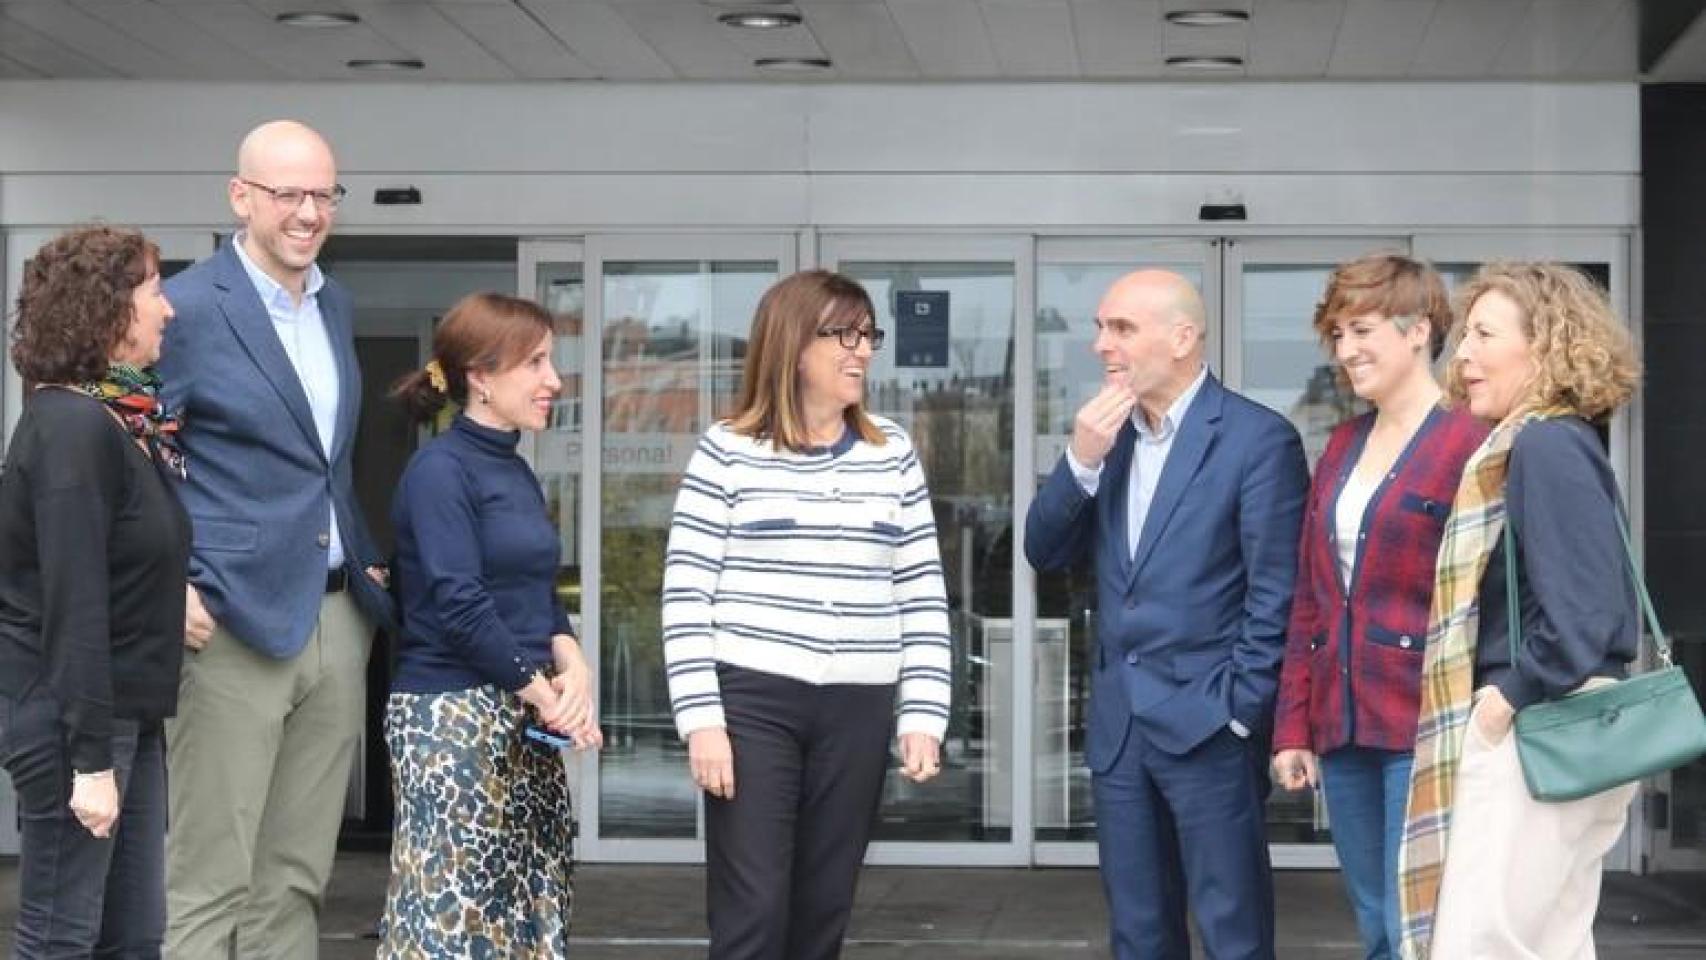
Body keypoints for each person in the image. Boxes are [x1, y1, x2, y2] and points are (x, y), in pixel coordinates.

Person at [661, 269, 951, 960]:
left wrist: (923, 714)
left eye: (869, 335)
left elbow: (921, 591)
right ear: (793, 345)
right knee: (755, 912)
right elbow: (686, 594)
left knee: (824, 910)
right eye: (844, 335)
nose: (863, 350)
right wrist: (702, 722)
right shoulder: (727, 449)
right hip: (754, 703)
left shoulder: (891, 453)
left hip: (859, 704)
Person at [155, 120, 392, 959]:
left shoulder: (335, 303)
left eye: (324, 194)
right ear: (241, 197)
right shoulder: (184, 307)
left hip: (336, 619)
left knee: (293, 879)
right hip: (227, 623)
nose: (309, 213)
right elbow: (126, 450)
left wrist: (362, 557)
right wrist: (165, 581)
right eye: (288, 193)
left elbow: (324, 459)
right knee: (210, 879)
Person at [1025, 269, 1308, 960]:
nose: (1101, 344)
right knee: (1139, 933)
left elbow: (1277, 594)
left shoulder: (1257, 439)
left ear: (1182, 339)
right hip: (1121, 729)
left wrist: (1240, 712)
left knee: (1233, 934)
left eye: (1121, 327)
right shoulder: (1108, 438)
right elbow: (1043, 550)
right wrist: (1079, 460)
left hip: (1210, 725)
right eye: (1100, 327)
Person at [1397, 262, 1642, 960]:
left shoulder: (1543, 443)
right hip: (1570, 725)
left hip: (1538, 727)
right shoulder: (1558, 440)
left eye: (1484, 335)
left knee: (1482, 944)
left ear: (1546, 344)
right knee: (1551, 942)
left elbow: (1583, 611)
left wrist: (1505, 699)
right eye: (1465, 337)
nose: (1462, 355)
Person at [1268, 254, 1487, 960]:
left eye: (1361, 330)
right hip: (1344, 725)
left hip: (1430, 725)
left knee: (1414, 924)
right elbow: (1311, 599)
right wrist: (1293, 726)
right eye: (1337, 334)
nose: (1345, 350)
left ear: (1418, 329)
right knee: (1374, 920)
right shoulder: (1341, 446)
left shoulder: (1470, 441)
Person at [377, 292, 601, 957]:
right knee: (453, 919)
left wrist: (575, 666)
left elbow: (536, 595)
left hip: (522, 710)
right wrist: (549, 697)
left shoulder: (516, 471)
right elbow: (460, 605)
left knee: (531, 905)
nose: (553, 380)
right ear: (480, 375)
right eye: (535, 363)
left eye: (550, 361)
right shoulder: (438, 472)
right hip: (452, 719)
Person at [0, 226, 190, 957]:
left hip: (124, 716)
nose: (168, 309)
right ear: (107, 308)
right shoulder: (73, 426)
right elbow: (74, 601)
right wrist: (89, 764)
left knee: (134, 939)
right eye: (155, 291)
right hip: (75, 721)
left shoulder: (117, 417)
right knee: (61, 939)